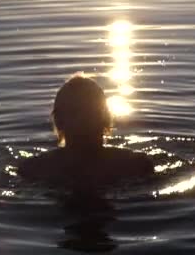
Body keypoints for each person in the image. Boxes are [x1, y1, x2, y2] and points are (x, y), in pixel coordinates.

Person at [17, 74, 154, 190]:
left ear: (58, 121)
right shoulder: (136, 165)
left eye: (89, 112)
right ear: (107, 119)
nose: (84, 119)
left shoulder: (34, 169)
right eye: (76, 112)